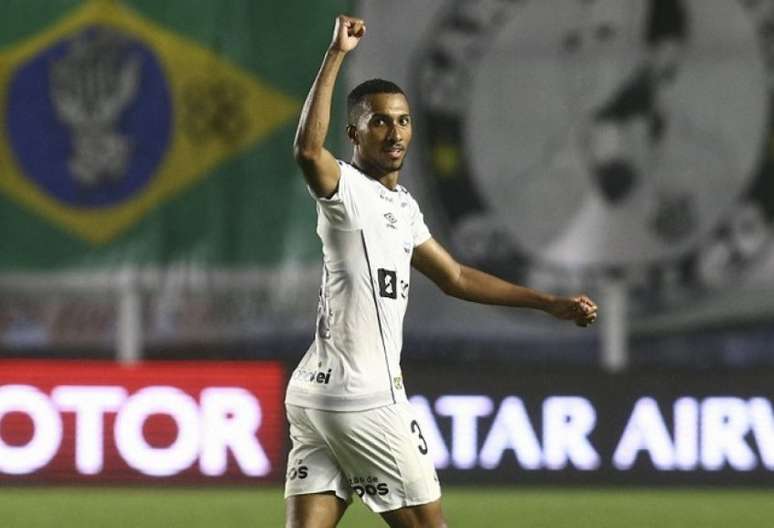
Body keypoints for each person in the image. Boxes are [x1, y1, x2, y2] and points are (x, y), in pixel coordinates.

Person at [285, 15, 598, 528]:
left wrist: (546, 302)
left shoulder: (402, 207)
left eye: (403, 120)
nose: (394, 132)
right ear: (354, 133)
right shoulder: (345, 192)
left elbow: (455, 277)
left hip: (314, 398)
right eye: (380, 121)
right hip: (365, 400)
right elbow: (305, 151)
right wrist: (337, 54)